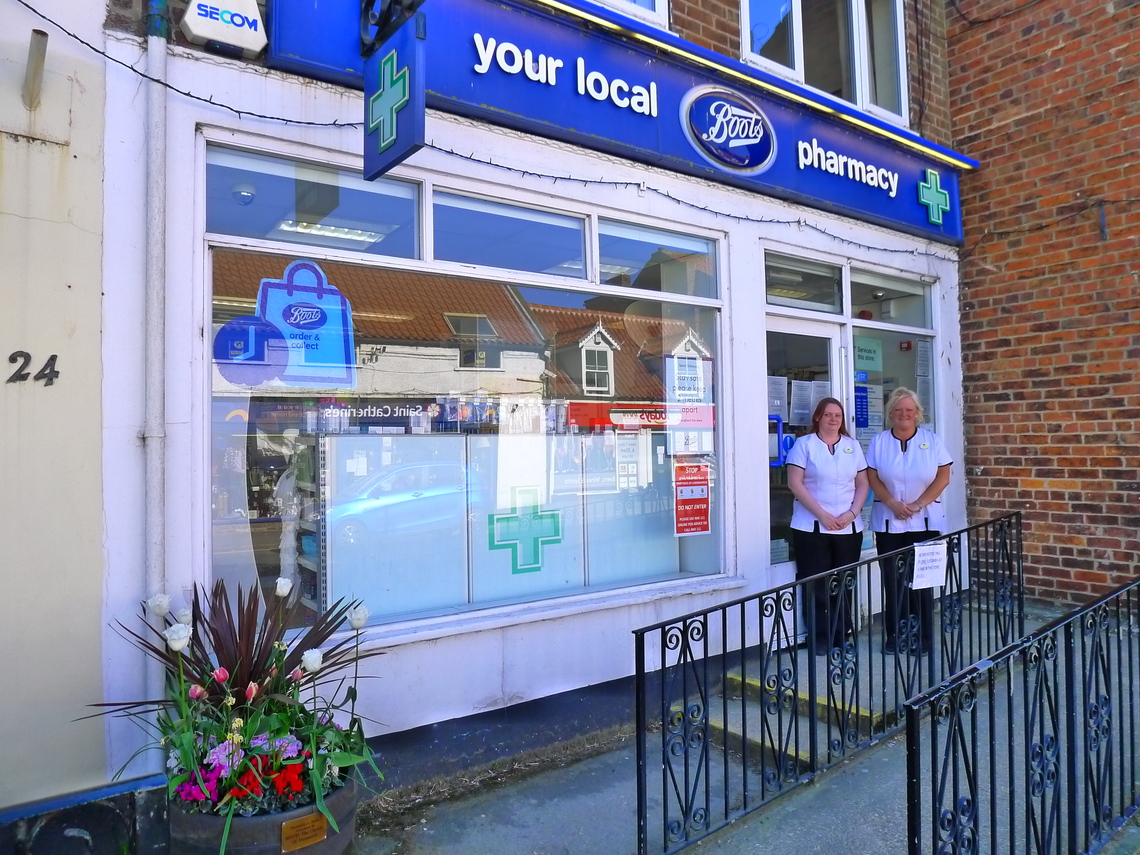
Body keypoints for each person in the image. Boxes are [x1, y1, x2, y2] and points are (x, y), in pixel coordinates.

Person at [865, 387, 952, 655]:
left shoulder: (932, 441)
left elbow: (943, 478)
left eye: (909, 410)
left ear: (917, 414)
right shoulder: (879, 442)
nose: (904, 414)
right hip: (889, 522)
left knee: (922, 582)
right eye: (898, 410)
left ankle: (923, 637)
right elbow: (872, 477)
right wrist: (892, 503)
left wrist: (917, 504)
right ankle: (895, 635)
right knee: (893, 581)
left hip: (925, 521)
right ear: (891, 413)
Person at [786, 398, 869, 655]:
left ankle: (842, 634)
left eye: (837, 415)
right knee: (816, 584)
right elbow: (795, 483)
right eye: (828, 415)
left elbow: (863, 483)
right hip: (811, 527)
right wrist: (822, 515)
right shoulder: (804, 445)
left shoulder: (852, 447)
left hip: (847, 527)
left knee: (844, 583)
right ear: (818, 418)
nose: (833, 419)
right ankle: (819, 637)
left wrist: (853, 513)